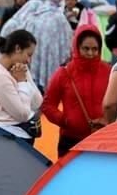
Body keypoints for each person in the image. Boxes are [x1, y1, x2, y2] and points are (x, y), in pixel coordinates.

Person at [42, 25, 111, 156]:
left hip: (100, 140)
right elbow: (47, 105)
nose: (90, 53)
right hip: (70, 141)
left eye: (95, 49)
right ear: (77, 48)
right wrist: (65, 120)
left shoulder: (108, 71)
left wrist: (107, 119)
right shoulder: (63, 73)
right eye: (86, 48)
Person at [0, 29, 43, 143]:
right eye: (28, 54)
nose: (28, 60)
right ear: (17, 49)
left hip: (23, 135)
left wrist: (25, 77)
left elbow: (38, 101)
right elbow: (23, 115)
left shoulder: (19, 68)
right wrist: (21, 82)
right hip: (8, 138)